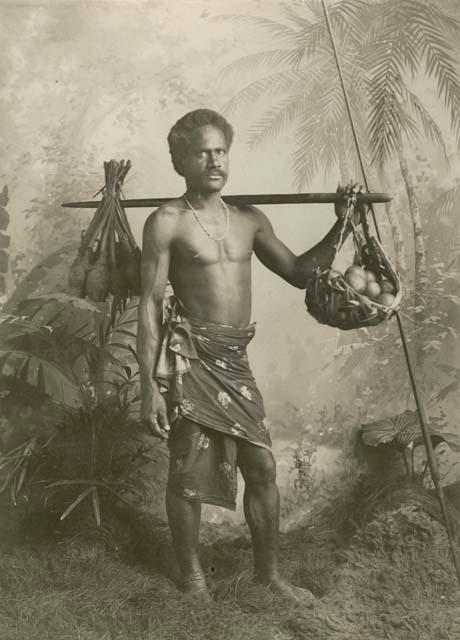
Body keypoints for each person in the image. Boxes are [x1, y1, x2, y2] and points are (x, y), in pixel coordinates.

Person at [137, 108, 361, 604]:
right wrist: (147, 386)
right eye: (203, 152)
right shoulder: (165, 222)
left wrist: (341, 225)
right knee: (186, 471)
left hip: (233, 362)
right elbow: (150, 307)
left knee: (261, 467)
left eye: (221, 151)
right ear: (181, 161)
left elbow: (302, 272)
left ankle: (269, 577)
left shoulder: (249, 219)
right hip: (191, 359)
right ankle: (194, 579)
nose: (214, 161)